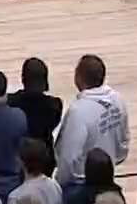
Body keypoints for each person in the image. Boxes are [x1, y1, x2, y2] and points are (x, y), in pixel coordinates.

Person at [55, 54, 130, 187]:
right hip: (108, 176)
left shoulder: (78, 111)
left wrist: (60, 184)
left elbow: (68, 158)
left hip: (82, 184)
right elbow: (124, 142)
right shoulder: (118, 99)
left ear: (78, 77)